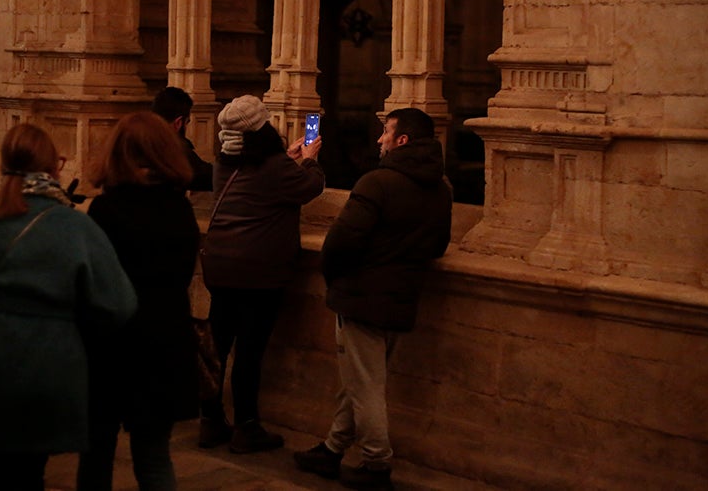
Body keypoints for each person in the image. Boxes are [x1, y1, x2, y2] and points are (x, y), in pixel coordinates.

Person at [0, 123, 138, 491]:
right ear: (53, 166)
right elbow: (119, 302)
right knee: (29, 473)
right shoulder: (72, 225)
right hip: (45, 356)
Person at [294, 108, 452, 491]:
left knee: (365, 386)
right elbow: (438, 244)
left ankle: (376, 464)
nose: (379, 139)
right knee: (362, 380)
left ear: (403, 140)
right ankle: (332, 449)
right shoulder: (441, 187)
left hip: (362, 296)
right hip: (401, 295)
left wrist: (335, 278)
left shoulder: (377, 183)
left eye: (386, 131)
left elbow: (341, 242)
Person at [77, 112, 201, 491]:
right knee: (153, 455)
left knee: (96, 452)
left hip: (111, 345)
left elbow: (92, 284)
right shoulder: (180, 209)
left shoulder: (105, 210)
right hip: (164, 342)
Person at [199, 95, 325, 453]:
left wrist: (288, 160)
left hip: (220, 263)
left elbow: (256, 178)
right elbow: (309, 188)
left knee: (216, 346)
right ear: (262, 128)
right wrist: (310, 161)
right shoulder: (273, 166)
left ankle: (209, 421)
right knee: (250, 349)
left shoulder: (224, 163)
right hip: (258, 270)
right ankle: (247, 426)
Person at [152, 86, 214, 192]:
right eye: (187, 122)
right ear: (178, 123)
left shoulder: (134, 141)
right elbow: (206, 176)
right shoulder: (173, 149)